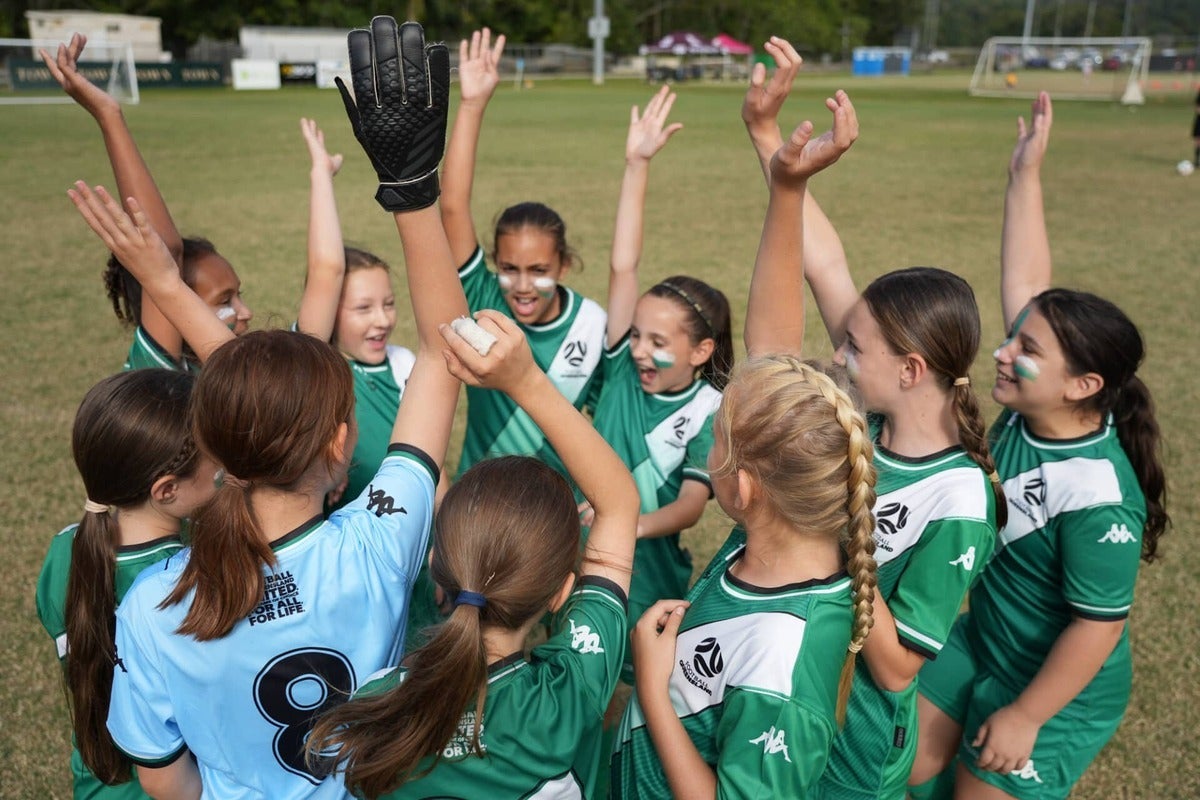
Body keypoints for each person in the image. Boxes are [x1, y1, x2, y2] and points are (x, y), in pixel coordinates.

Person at [67, 19, 469, 798]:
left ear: (215, 445)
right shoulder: (380, 543)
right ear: (341, 443)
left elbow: (166, 781)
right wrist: (413, 191)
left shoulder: (157, 601)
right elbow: (446, 351)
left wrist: (169, 286)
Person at [733, 38, 1004, 800]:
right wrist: (770, 141)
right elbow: (820, 263)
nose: (838, 355)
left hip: (854, 744)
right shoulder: (865, 415)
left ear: (912, 370)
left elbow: (895, 666)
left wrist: (837, 518)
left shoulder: (958, 497)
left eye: (855, 346)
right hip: (786, 686)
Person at [611, 86, 878, 799]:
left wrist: (658, 690)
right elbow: (771, 348)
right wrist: (786, 187)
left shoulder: (784, 659)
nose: (710, 450)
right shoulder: (772, 544)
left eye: (719, 443)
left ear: (746, 487)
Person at [910, 91, 1170, 800]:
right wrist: (1024, 175)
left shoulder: (1099, 498)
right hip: (981, 641)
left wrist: (1026, 715)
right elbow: (1028, 286)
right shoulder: (1035, 412)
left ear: (1082, 384)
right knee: (898, 768)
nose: (1001, 351)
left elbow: (1097, 628)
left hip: (1055, 688)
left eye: (1025, 348)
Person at [307, 315, 640, 800]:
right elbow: (618, 504)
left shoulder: (376, 703)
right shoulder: (567, 696)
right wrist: (527, 382)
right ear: (561, 594)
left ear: (438, 559)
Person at [589, 87, 731, 656]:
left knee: (629, 696)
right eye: (638, 336)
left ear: (701, 351)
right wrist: (636, 164)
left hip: (648, 583)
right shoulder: (622, 368)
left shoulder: (709, 411)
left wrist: (624, 524)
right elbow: (623, 266)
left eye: (659, 342)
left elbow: (691, 509)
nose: (640, 351)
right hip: (578, 568)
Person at [36, 369, 215, 800]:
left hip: (98, 785)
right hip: (176, 786)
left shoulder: (65, 548)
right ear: (167, 489)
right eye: (217, 454)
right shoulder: (190, 580)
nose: (225, 465)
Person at [441, 28, 608, 478]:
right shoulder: (483, 296)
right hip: (478, 500)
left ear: (564, 265)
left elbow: (607, 425)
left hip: (556, 513)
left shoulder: (592, 325)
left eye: (539, 270)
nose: (522, 284)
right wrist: (473, 105)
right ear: (494, 265)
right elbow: (452, 205)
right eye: (509, 268)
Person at [41, 33, 251, 373]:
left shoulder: (234, 375)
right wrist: (110, 116)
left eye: (238, 296)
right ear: (172, 306)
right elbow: (166, 251)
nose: (245, 312)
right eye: (225, 301)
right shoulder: (155, 376)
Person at [294, 117, 415, 509]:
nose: (382, 319)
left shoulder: (404, 364)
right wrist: (321, 176)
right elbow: (327, 269)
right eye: (363, 308)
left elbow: (427, 462)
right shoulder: (316, 364)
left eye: (388, 304)